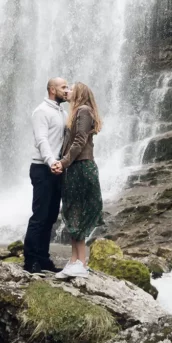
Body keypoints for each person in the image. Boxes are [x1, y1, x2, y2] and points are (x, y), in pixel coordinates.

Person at [55, 82, 104, 278]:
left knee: (78, 210)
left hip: (82, 167)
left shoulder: (83, 110)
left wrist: (63, 162)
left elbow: (80, 140)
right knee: (72, 210)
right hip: (75, 167)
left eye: (71, 89)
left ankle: (81, 263)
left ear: (80, 94)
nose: (67, 91)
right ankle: (74, 260)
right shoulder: (77, 112)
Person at [23, 77, 69, 273]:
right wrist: (52, 162)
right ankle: (30, 260)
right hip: (42, 168)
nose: (67, 90)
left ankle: (43, 258)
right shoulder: (41, 111)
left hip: (57, 168)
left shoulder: (63, 112)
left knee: (51, 216)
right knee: (40, 215)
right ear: (52, 89)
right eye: (63, 87)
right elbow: (41, 140)